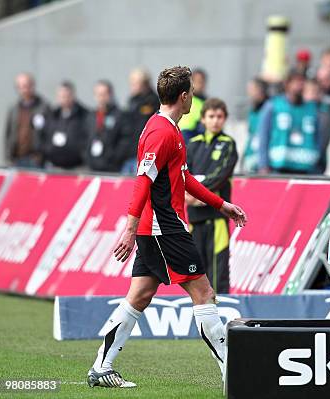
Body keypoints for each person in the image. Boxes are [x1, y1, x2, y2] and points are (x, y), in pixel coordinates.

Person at [87, 66, 247, 388]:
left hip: (155, 228)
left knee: (140, 295)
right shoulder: (162, 133)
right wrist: (129, 229)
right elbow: (142, 181)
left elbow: (183, 178)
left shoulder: (167, 130)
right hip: (164, 228)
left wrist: (221, 205)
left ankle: (101, 367)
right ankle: (234, 375)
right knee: (204, 294)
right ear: (185, 96)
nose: (194, 101)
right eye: (192, 95)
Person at [186, 98, 238, 293]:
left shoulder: (228, 144)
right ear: (203, 119)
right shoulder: (193, 144)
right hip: (195, 218)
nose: (215, 121)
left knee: (218, 272)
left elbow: (221, 175)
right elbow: (182, 173)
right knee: (196, 274)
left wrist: (197, 192)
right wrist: (187, 194)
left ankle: (222, 314)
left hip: (217, 219)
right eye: (211, 116)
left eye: (220, 117)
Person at [257, 71, 321, 174]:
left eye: (302, 82)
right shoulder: (273, 106)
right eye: (296, 82)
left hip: (306, 169)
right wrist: (263, 164)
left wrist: (318, 165)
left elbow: (317, 139)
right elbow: (264, 135)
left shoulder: (312, 109)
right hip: (278, 168)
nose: (300, 86)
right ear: (287, 84)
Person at [117, 68, 160, 174]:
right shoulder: (132, 100)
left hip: (144, 153)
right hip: (130, 152)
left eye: (135, 83)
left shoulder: (153, 101)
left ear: (145, 84)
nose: (132, 86)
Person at [4, 72, 50, 168]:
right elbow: (8, 133)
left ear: (33, 86)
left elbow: (49, 133)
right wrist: (8, 156)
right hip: (16, 158)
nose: (24, 89)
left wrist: (42, 155)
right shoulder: (14, 109)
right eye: (21, 87)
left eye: (27, 86)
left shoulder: (43, 107)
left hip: (36, 159)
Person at [42, 81, 89, 170]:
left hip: (76, 167)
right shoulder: (53, 115)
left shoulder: (83, 115)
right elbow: (46, 136)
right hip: (54, 165)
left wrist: (82, 155)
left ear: (73, 96)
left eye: (67, 96)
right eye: (61, 96)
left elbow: (87, 138)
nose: (64, 99)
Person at [85, 80, 125, 172]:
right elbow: (84, 138)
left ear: (111, 95)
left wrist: (113, 157)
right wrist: (87, 158)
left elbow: (125, 141)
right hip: (92, 167)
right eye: (99, 94)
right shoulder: (91, 116)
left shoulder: (119, 115)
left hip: (112, 168)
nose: (101, 98)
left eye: (104, 94)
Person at [242, 77, 269, 173]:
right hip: (251, 159)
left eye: (252, 90)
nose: (249, 94)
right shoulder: (252, 111)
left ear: (260, 90)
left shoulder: (269, 109)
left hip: (262, 163)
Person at [178, 68, 208, 142]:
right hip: (184, 134)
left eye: (202, 82)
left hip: (196, 134)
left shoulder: (206, 102)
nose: (200, 85)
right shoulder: (183, 98)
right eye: (198, 82)